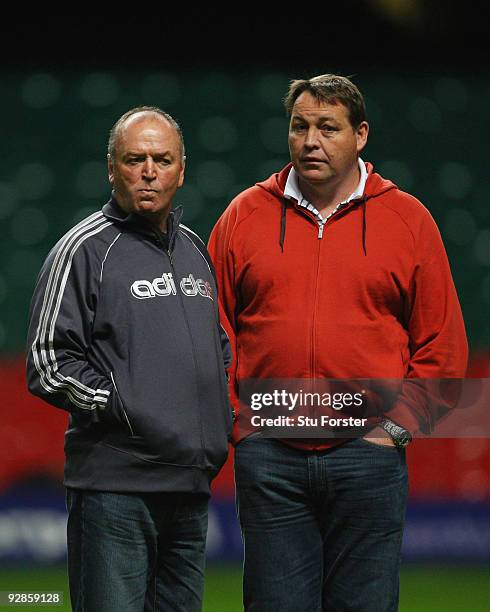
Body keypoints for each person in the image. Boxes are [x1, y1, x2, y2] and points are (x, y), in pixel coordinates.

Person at [208, 74, 468, 611]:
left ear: (361, 135)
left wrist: (396, 427)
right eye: (299, 126)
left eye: (328, 127)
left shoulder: (408, 219)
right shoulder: (244, 215)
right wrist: (242, 424)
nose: (310, 141)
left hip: (368, 457)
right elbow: (211, 332)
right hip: (271, 457)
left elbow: (442, 341)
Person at [26, 106, 233, 612]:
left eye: (162, 159)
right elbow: (49, 361)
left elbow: (217, 346)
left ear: (181, 171)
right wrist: (127, 406)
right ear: (111, 167)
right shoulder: (82, 250)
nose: (148, 171)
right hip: (115, 489)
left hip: (189, 489)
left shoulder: (194, 250)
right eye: (134, 158)